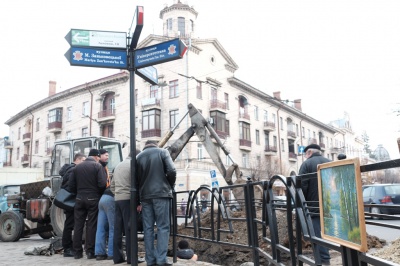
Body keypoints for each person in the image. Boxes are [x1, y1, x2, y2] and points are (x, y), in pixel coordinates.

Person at [136, 140, 176, 266]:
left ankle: (150, 260)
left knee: (148, 228)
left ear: (145, 145)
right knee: (163, 227)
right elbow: (172, 170)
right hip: (161, 194)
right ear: (156, 145)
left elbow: (135, 181)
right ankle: (161, 259)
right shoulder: (163, 152)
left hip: (145, 196)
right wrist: (169, 185)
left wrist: (138, 199)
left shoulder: (138, 157)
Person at [68, 148, 107, 260]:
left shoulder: (77, 167)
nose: (99, 160)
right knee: (91, 225)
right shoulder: (97, 166)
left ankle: (77, 252)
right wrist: (96, 192)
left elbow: (71, 186)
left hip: (79, 198)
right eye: (99, 157)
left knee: (78, 225)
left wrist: (79, 193)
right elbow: (102, 184)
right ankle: (90, 252)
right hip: (93, 198)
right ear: (96, 157)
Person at [299, 144, 331, 265]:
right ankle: (325, 257)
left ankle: (323, 261)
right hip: (330, 206)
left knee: (318, 235)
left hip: (313, 207)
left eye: (305, 154)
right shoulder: (329, 162)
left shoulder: (307, 164)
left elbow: (302, 186)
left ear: (309, 152)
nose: (305, 156)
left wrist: (302, 205)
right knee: (329, 234)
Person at [111, 149, 143, 265]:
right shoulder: (133, 166)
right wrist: (139, 202)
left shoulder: (118, 165)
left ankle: (117, 258)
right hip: (129, 200)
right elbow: (137, 185)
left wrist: (117, 194)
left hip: (118, 199)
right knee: (130, 229)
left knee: (118, 229)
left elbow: (112, 185)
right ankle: (131, 258)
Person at [58, 152, 86, 257]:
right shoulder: (72, 170)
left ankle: (69, 248)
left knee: (70, 224)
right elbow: (71, 186)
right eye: (83, 160)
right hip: (71, 200)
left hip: (70, 200)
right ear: (77, 160)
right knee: (69, 225)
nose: (84, 163)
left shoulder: (69, 169)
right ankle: (67, 249)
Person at [95, 149, 115, 260]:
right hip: (109, 197)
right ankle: (111, 253)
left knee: (101, 228)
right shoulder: (99, 166)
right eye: (106, 155)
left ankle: (99, 253)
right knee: (113, 227)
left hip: (102, 199)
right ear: (99, 156)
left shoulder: (105, 167)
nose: (107, 157)